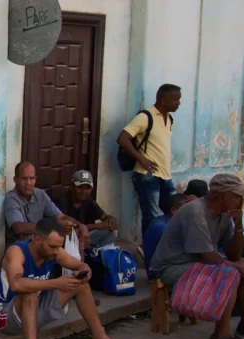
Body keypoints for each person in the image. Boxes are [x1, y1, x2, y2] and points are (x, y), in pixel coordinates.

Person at [0, 217, 137, 339]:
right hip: (8, 316)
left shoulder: (54, 252)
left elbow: (81, 265)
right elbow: (16, 284)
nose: (56, 251)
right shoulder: (17, 251)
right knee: (29, 293)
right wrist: (56, 283)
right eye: (53, 246)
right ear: (38, 240)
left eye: (59, 246)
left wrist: (85, 272)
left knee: (81, 286)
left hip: (35, 309)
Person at [151, 174, 244, 339]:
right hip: (172, 267)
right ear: (221, 196)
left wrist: (238, 226)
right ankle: (221, 335)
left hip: (196, 263)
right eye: (236, 195)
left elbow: (234, 254)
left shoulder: (223, 215)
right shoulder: (195, 212)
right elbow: (207, 256)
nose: (240, 199)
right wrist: (237, 266)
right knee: (232, 273)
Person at [117, 84, 181, 237]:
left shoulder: (169, 118)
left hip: (165, 175)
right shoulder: (145, 117)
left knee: (174, 214)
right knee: (151, 218)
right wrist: (142, 159)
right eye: (176, 100)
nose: (179, 103)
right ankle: (149, 254)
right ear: (163, 100)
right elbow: (122, 138)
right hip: (147, 175)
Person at [4, 161, 87, 247]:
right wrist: (54, 226)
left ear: (35, 179)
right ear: (16, 180)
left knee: (73, 234)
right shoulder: (11, 198)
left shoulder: (40, 194)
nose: (28, 183)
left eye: (31, 178)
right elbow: (19, 227)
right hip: (19, 246)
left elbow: (61, 216)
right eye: (24, 179)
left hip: (38, 242)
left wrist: (80, 225)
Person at [52, 170, 118, 248]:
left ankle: (95, 253)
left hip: (84, 236)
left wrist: (111, 221)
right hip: (67, 237)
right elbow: (69, 227)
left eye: (87, 188)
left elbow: (105, 216)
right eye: (80, 187)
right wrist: (98, 226)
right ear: (72, 187)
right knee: (71, 233)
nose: (83, 191)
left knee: (112, 231)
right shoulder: (63, 200)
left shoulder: (88, 201)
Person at [142, 193, 186, 280]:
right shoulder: (163, 227)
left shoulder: (166, 221)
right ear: (174, 210)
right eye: (187, 210)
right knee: (201, 270)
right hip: (159, 273)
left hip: (163, 268)